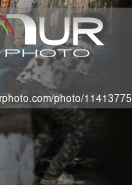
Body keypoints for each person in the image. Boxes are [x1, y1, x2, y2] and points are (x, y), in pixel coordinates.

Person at [16, 13, 108, 185]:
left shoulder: (62, 41)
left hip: (24, 85)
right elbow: (66, 87)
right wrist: (91, 86)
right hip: (40, 90)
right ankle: (52, 176)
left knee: (51, 128)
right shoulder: (87, 50)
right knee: (83, 124)